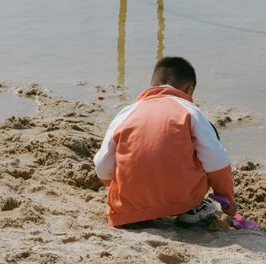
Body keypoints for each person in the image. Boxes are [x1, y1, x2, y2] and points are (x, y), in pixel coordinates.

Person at [93, 56, 237, 228]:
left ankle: (139, 212)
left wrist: (125, 185)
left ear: (153, 85)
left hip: (130, 204)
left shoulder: (127, 112)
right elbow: (216, 160)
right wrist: (227, 198)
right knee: (205, 145)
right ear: (189, 89)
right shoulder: (191, 112)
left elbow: (101, 165)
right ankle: (192, 210)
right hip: (181, 198)